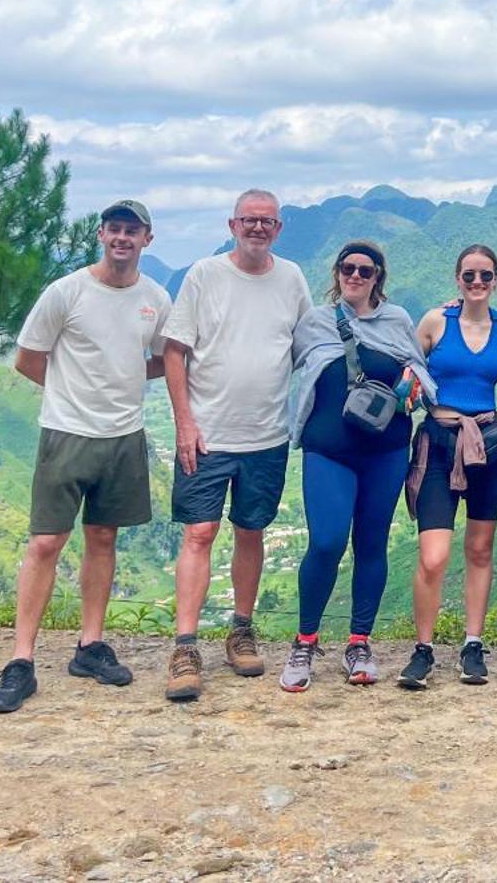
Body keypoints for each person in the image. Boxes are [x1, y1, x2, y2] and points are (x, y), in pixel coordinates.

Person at [0, 200, 170, 714]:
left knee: (103, 537)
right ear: (100, 234)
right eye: (114, 229)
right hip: (66, 432)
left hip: (124, 435)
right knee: (46, 541)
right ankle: (21, 660)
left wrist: (122, 380)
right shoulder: (66, 291)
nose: (122, 238)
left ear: (147, 239)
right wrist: (70, 392)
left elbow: (162, 358)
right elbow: (27, 358)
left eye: (132, 231)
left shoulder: (154, 298)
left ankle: (89, 645)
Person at [161, 189, 314, 702]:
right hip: (208, 433)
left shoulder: (291, 278)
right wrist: (184, 423)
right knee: (199, 532)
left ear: (279, 227)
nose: (257, 228)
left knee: (252, 530)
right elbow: (174, 352)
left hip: (267, 433)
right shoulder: (205, 275)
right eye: (249, 220)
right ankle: (185, 646)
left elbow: (311, 343)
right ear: (232, 224)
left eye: (266, 221)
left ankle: (241, 629)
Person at [277, 240, 434, 692]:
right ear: (337, 272)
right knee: (326, 542)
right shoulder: (316, 323)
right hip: (328, 449)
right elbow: (285, 367)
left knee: (371, 544)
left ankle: (359, 642)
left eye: (366, 271)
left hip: (385, 451)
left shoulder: (397, 320)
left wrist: (412, 380)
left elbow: (420, 370)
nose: (356, 276)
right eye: (348, 268)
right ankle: (305, 640)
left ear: (378, 277)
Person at [397, 244, 497, 690]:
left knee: (481, 548)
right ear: (457, 279)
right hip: (439, 443)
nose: (477, 283)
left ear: (496, 280)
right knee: (434, 556)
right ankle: (423, 648)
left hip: (488, 443)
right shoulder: (433, 322)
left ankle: (472, 643)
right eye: (469, 276)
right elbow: (407, 368)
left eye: (486, 276)